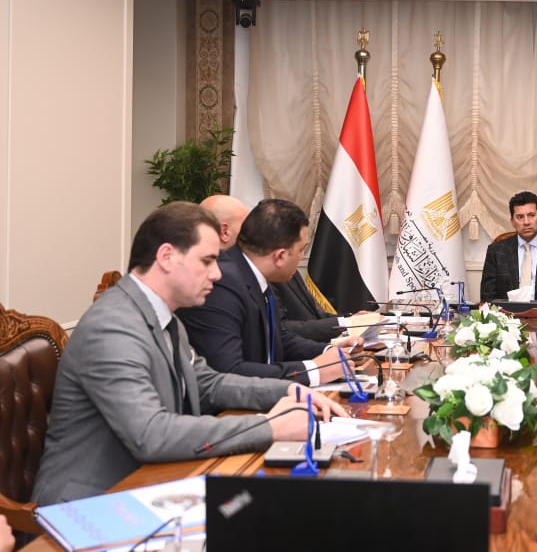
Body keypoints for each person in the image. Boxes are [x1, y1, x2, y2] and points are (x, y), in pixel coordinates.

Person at [31, 203, 344, 505]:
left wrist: (290, 390)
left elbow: (209, 383)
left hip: (152, 482)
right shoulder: (113, 327)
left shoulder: (163, 316)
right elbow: (151, 434)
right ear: (167, 256)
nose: (217, 274)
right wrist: (269, 426)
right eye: (207, 261)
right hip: (91, 502)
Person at [180, 199, 350, 385]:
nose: (302, 257)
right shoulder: (221, 284)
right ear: (280, 256)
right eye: (301, 250)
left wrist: (330, 352)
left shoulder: (252, 273)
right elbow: (229, 371)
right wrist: (313, 371)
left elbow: (278, 339)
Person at [200, 194, 346, 343]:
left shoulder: (259, 270)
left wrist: (331, 348)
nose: (254, 228)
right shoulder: (223, 283)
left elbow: (280, 336)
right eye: (247, 224)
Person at [480, 191, 537, 303]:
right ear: (512, 222)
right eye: (520, 217)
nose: (526, 222)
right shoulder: (496, 251)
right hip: (507, 313)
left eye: (531, 215)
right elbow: (487, 296)